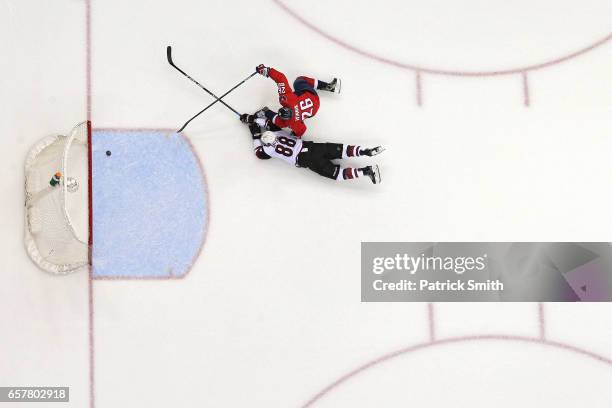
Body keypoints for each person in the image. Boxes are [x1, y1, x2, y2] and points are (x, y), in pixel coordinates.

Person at [243, 116, 383, 184]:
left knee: (337, 175)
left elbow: (258, 153)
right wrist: (253, 119)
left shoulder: (268, 151)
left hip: (306, 160)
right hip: (312, 147)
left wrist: (255, 134)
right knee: (342, 150)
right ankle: (366, 151)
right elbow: (267, 123)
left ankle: (366, 171)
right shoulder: (279, 133)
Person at [248, 64, 340, 137]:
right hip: (313, 97)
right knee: (299, 81)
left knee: (297, 119)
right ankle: (327, 86)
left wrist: (296, 134)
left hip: (314, 110)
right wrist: (267, 71)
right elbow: (281, 78)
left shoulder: (291, 122)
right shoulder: (288, 99)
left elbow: (302, 130)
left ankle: (301, 118)